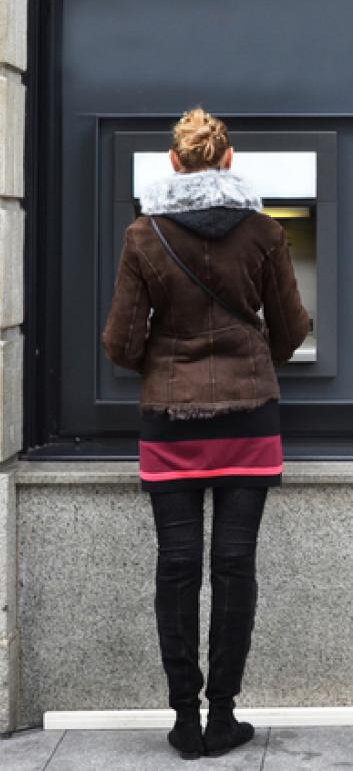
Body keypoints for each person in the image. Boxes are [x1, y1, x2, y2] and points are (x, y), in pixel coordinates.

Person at [100, 107, 310, 759]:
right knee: (235, 565)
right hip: (249, 419)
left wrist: (167, 361)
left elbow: (121, 342)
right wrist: (251, 353)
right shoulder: (265, 232)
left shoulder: (144, 235)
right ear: (228, 159)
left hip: (172, 422)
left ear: (173, 162)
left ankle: (185, 721)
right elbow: (291, 328)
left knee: (178, 566)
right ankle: (223, 715)